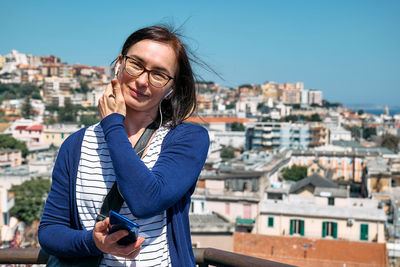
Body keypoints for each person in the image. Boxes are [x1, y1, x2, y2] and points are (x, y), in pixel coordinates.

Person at [38, 25, 210, 266]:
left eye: (158, 75)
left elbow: (146, 201)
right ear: (119, 64)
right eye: (136, 64)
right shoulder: (75, 145)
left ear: (171, 90)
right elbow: (49, 231)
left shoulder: (186, 139)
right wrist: (94, 242)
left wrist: (112, 125)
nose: (141, 81)